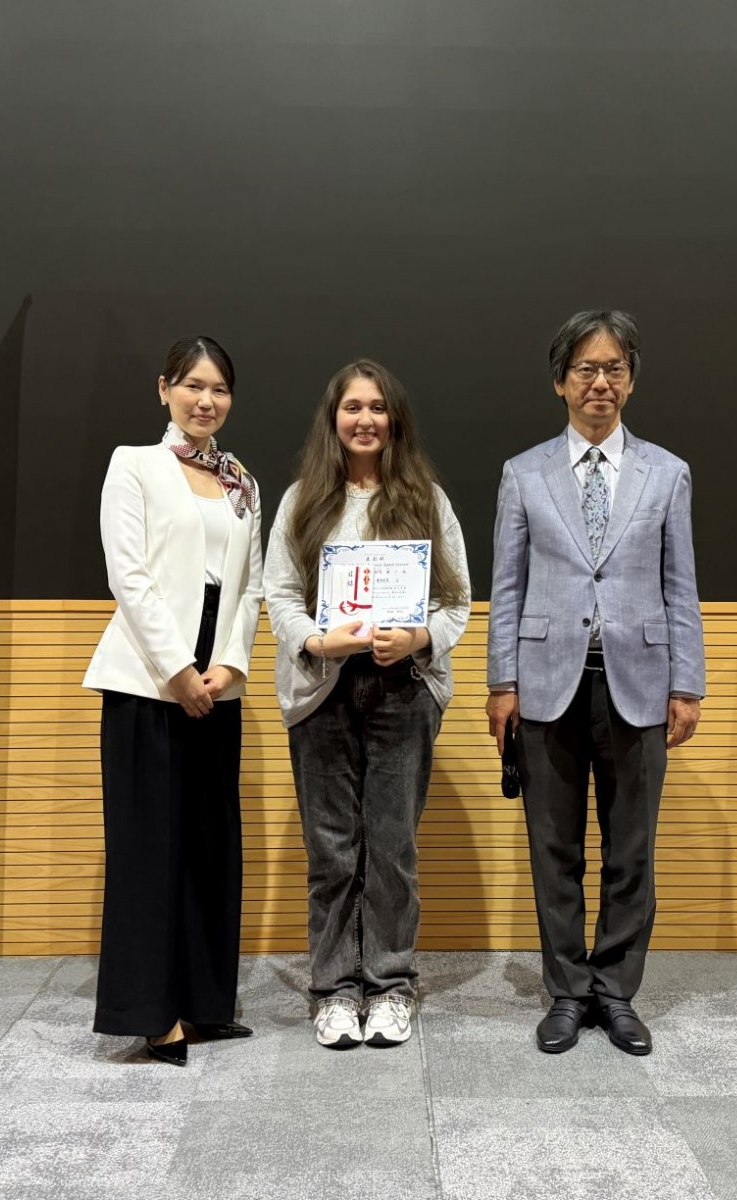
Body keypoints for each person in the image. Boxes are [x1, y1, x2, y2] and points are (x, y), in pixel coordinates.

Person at [486, 310, 705, 1056]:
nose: (600, 381)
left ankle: (615, 993)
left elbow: (681, 586)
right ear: (560, 382)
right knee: (553, 850)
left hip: (640, 683)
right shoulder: (523, 473)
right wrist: (501, 681)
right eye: (586, 369)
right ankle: (567, 992)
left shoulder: (667, 473)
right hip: (547, 683)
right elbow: (507, 586)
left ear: (631, 381)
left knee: (631, 851)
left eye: (614, 368)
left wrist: (689, 683)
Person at [265, 359, 470, 1049]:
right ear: (334, 418)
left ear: (394, 420)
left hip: (401, 691)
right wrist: (317, 642)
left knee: (391, 849)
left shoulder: (426, 500)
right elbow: (280, 597)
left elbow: (458, 603)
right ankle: (333, 990)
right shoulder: (302, 500)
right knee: (332, 851)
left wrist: (417, 636)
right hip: (322, 691)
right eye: (352, 406)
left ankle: (388, 986)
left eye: (378, 407)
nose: (365, 419)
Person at [81, 335, 263, 1066]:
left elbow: (248, 586)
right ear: (164, 389)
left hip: (216, 685)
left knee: (211, 848)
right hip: (148, 685)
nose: (205, 400)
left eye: (219, 388)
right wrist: (178, 669)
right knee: (147, 851)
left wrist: (226, 666)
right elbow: (129, 575)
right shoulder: (135, 465)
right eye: (192, 385)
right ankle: (150, 1014)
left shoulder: (241, 478)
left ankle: (206, 1003)